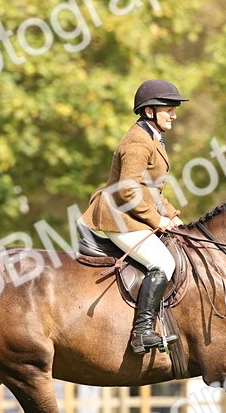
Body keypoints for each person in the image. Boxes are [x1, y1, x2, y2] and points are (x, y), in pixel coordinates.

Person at [79, 79, 188, 353]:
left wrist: (172, 216)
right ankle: (142, 332)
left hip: (130, 213)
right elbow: (128, 191)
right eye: (169, 109)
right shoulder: (137, 142)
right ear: (150, 111)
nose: (174, 114)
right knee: (163, 262)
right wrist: (157, 220)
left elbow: (150, 189)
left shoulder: (151, 137)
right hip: (118, 217)